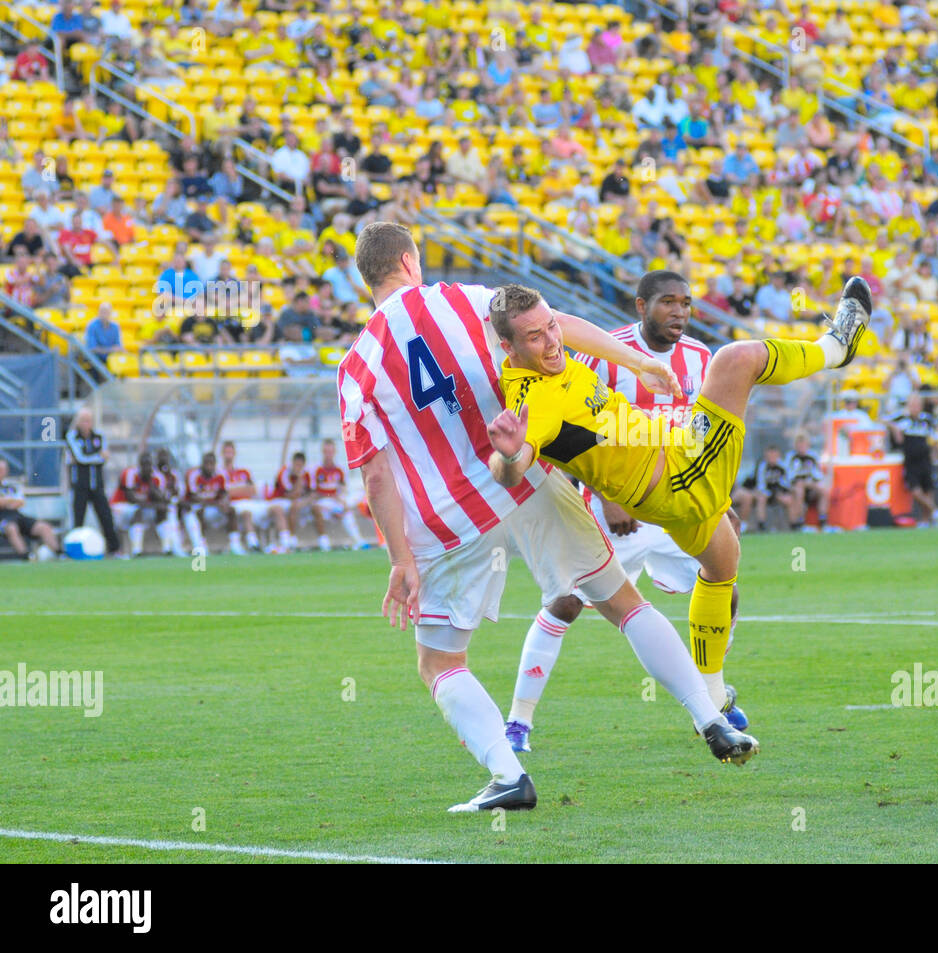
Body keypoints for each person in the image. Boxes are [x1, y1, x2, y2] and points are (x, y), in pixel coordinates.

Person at [337, 222, 758, 812]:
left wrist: (400, 560)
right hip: (528, 477)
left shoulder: (356, 364)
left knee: (439, 661)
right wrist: (633, 362)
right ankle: (713, 720)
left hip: (451, 517)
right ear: (410, 261)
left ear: (367, 279)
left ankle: (508, 776)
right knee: (624, 602)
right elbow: (555, 322)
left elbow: (375, 472)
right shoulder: (459, 298)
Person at [485, 277, 872, 731]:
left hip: (675, 465)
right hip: (675, 480)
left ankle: (711, 703)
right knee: (737, 358)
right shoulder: (535, 401)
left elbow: (566, 327)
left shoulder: (544, 348)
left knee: (723, 564)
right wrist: (509, 456)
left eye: (551, 327)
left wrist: (635, 361)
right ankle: (836, 347)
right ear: (508, 347)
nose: (553, 341)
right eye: (536, 337)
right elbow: (514, 464)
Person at [502, 270, 747, 754]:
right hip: (622, 507)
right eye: (667, 303)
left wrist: (719, 499)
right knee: (567, 604)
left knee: (725, 577)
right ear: (641, 306)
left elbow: (698, 432)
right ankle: (518, 722)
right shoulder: (604, 348)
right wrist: (610, 499)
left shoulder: (700, 356)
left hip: (677, 491)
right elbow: (574, 424)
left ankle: (712, 694)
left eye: (685, 304)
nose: (678, 312)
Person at [64, 408, 122, 556]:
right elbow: (80, 457)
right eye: (83, 420)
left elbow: (104, 456)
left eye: (89, 420)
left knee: (106, 516)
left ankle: (115, 549)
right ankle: (74, 551)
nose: (86, 424)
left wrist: (94, 458)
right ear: (78, 422)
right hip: (80, 485)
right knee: (78, 519)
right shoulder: (72, 436)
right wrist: (98, 457)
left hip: (97, 484)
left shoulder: (99, 436)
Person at [887, 394, 938, 527]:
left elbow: (935, 437)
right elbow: (884, 420)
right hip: (910, 459)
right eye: (912, 404)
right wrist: (895, 429)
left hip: (925, 458)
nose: (915, 407)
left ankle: (927, 519)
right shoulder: (901, 418)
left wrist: (937, 452)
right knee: (914, 490)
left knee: (928, 488)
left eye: (917, 404)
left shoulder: (927, 420)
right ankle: (935, 511)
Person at [309, 438, 367, 552]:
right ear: (322, 452)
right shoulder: (315, 469)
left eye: (331, 452)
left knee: (347, 508)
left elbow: (343, 488)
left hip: (336, 501)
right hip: (323, 501)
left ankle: (358, 541)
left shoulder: (340, 469)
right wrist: (331, 498)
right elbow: (313, 493)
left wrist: (341, 500)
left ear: (334, 452)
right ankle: (324, 542)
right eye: (326, 452)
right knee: (317, 507)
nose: (328, 455)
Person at [186, 450, 244, 555]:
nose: (209, 466)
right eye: (206, 464)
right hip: (202, 507)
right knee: (200, 511)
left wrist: (224, 502)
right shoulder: (195, 475)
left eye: (211, 464)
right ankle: (202, 545)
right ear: (202, 464)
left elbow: (225, 493)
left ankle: (235, 544)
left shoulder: (221, 474)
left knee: (231, 511)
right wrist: (215, 502)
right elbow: (194, 496)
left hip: (216, 507)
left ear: (215, 464)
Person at [0, 459, 61, 559]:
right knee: (11, 528)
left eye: (3, 469)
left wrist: (5, 501)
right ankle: (26, 557)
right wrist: (10, 501)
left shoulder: (11, 485)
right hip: (3, 518)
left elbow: (20, 502)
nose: (2, 472)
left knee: (43, 527)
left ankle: (59, 554)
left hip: (17, 515)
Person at [219, 440, 266, 552]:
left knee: (249, 511)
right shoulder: (219, 473)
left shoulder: (244, 472)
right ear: (222, 454)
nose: (228, 455)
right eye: (226, 452)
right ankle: (253, 543)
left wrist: (233, 490)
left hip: (249, 503)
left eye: (230, 452)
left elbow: (253, 490)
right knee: (246, 513)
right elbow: (224, 493)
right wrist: (243, 490)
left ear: (234, 453)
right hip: (232, 505)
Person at [784, 432, 829, 531]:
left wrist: (811, 482)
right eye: (799, 445)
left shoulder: (813, 456)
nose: (801, 447)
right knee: (799, 488)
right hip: (796, 486)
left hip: (810, 485)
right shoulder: (791, 457)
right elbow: (789, 475)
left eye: (803, 445)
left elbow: (817, 474)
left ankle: (823, 521)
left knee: (823, 490)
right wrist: (801, 481)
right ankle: (800, 520)